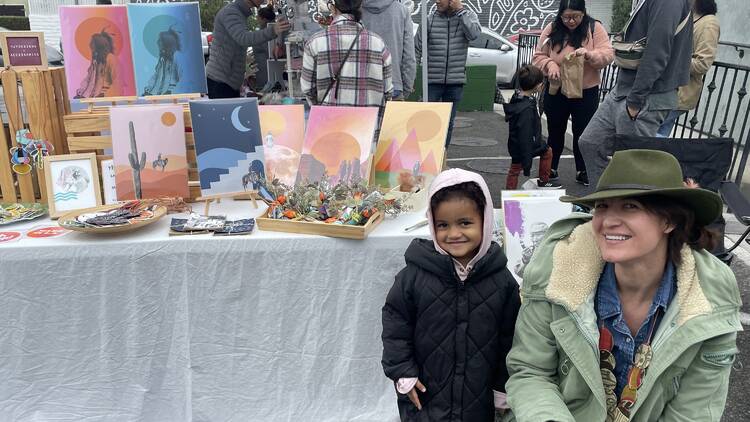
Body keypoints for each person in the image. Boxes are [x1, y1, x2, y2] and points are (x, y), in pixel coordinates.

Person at [505, 149, 742, 421]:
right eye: (602, 206)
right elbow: (531, 372)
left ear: (670, 220)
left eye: (630, 206)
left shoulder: (712, 297)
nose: (608, 221)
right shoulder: (555, 270)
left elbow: (695, 412)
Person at [381, 168, 521, 421]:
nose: (454, 234)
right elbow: (395, 325)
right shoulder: (413, 276)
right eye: (443, 225)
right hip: (425, 399)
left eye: (465, 223)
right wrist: (403, 372)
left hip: (478, 402)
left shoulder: (502, 281)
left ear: (485, 221)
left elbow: (509, 339)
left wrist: (503, 387)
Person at [578, 0, 693, 191]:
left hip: (645, 96)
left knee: (634, 166)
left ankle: (625, 209)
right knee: (590, 143)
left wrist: (635, 101)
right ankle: (607, 203)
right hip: (625, 90)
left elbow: (657, 50)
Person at [532, 0, 613, 187]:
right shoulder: (552, 28)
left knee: (583, 133)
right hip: (557, 89)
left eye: (576, 16)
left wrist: (591, 55)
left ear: (583, 13)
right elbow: (538, 56)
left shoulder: (595, 28)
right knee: (555, 130)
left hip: (586, 91)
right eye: (566, 17)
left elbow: (608, 54)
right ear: (560, 14)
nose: (571, 21)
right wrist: (550, 64)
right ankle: (550, 168)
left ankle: (582, 170)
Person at [301, 0, 392, 108]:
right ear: (360, 7)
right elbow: (388, 92)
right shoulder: (378, 44)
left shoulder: (314, 43)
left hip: (329, 121)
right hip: (368, 122)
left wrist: (321, 107)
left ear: (333, 8)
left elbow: (308, 89)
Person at [414, 0, 480, 146]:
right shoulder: (429, 20)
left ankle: (442, 156)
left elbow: (474, 35)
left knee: (448, 124)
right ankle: (425, 156)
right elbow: (416, 49)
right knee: (426, 121)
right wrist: (412, 76)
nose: (436, 1)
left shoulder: (467, 16)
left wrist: (461, 11)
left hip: (455, 82)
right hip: (432, 81)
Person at [657, 0, 720, 137]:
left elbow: (702, 63)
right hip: (668, 89)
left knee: (651, 132)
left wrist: (671, 59)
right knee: (658, 135)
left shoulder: (709, 23)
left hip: (679, 92)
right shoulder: (688, 15)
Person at [205, 0, 290, 99]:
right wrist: (273, 30)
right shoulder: (231, 12)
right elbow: (243, 38)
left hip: (227, 82)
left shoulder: (238, 13)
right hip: (220, 82)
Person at [503, 65, 562, 190]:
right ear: (537, 86)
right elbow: (525, 132)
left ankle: (509, 192)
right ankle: (544, 181)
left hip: (516, 143)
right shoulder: (527, 108)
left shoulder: (518, 98)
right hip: (527, 145)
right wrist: (527, 161)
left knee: (515, 169)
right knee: (546, 152)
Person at [360, 0, 416, 100]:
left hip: (364, 87)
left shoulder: (357, 12)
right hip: (394, 84)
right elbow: (409, 56)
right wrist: (406, 88)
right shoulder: (402, 11)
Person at [74, 28, 116, 99]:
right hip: (92, 96)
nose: (90, 45)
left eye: (92, 43)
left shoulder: (111, 59)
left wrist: (105, 94)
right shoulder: (95, 61)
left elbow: (117, 83)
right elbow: (88, 79)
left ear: (98, 45)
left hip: (105, 97)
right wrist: (81, 92)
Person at [143, 26, 181, 96]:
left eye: (159, 40)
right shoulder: (162, 59)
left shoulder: (177, 58)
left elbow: (181, 80)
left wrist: (170, 91)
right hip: (159, 96)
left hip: (172, 97)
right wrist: (148, 90)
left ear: (166, 42)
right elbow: (156, 77)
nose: (157, 42)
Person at [253, 6, 276, 91]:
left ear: (264, 19)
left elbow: (269, 51)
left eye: (258, 17)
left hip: (265, 72)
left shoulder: (264, 34)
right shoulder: (273, 31)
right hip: (264, 71)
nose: (256, 19)